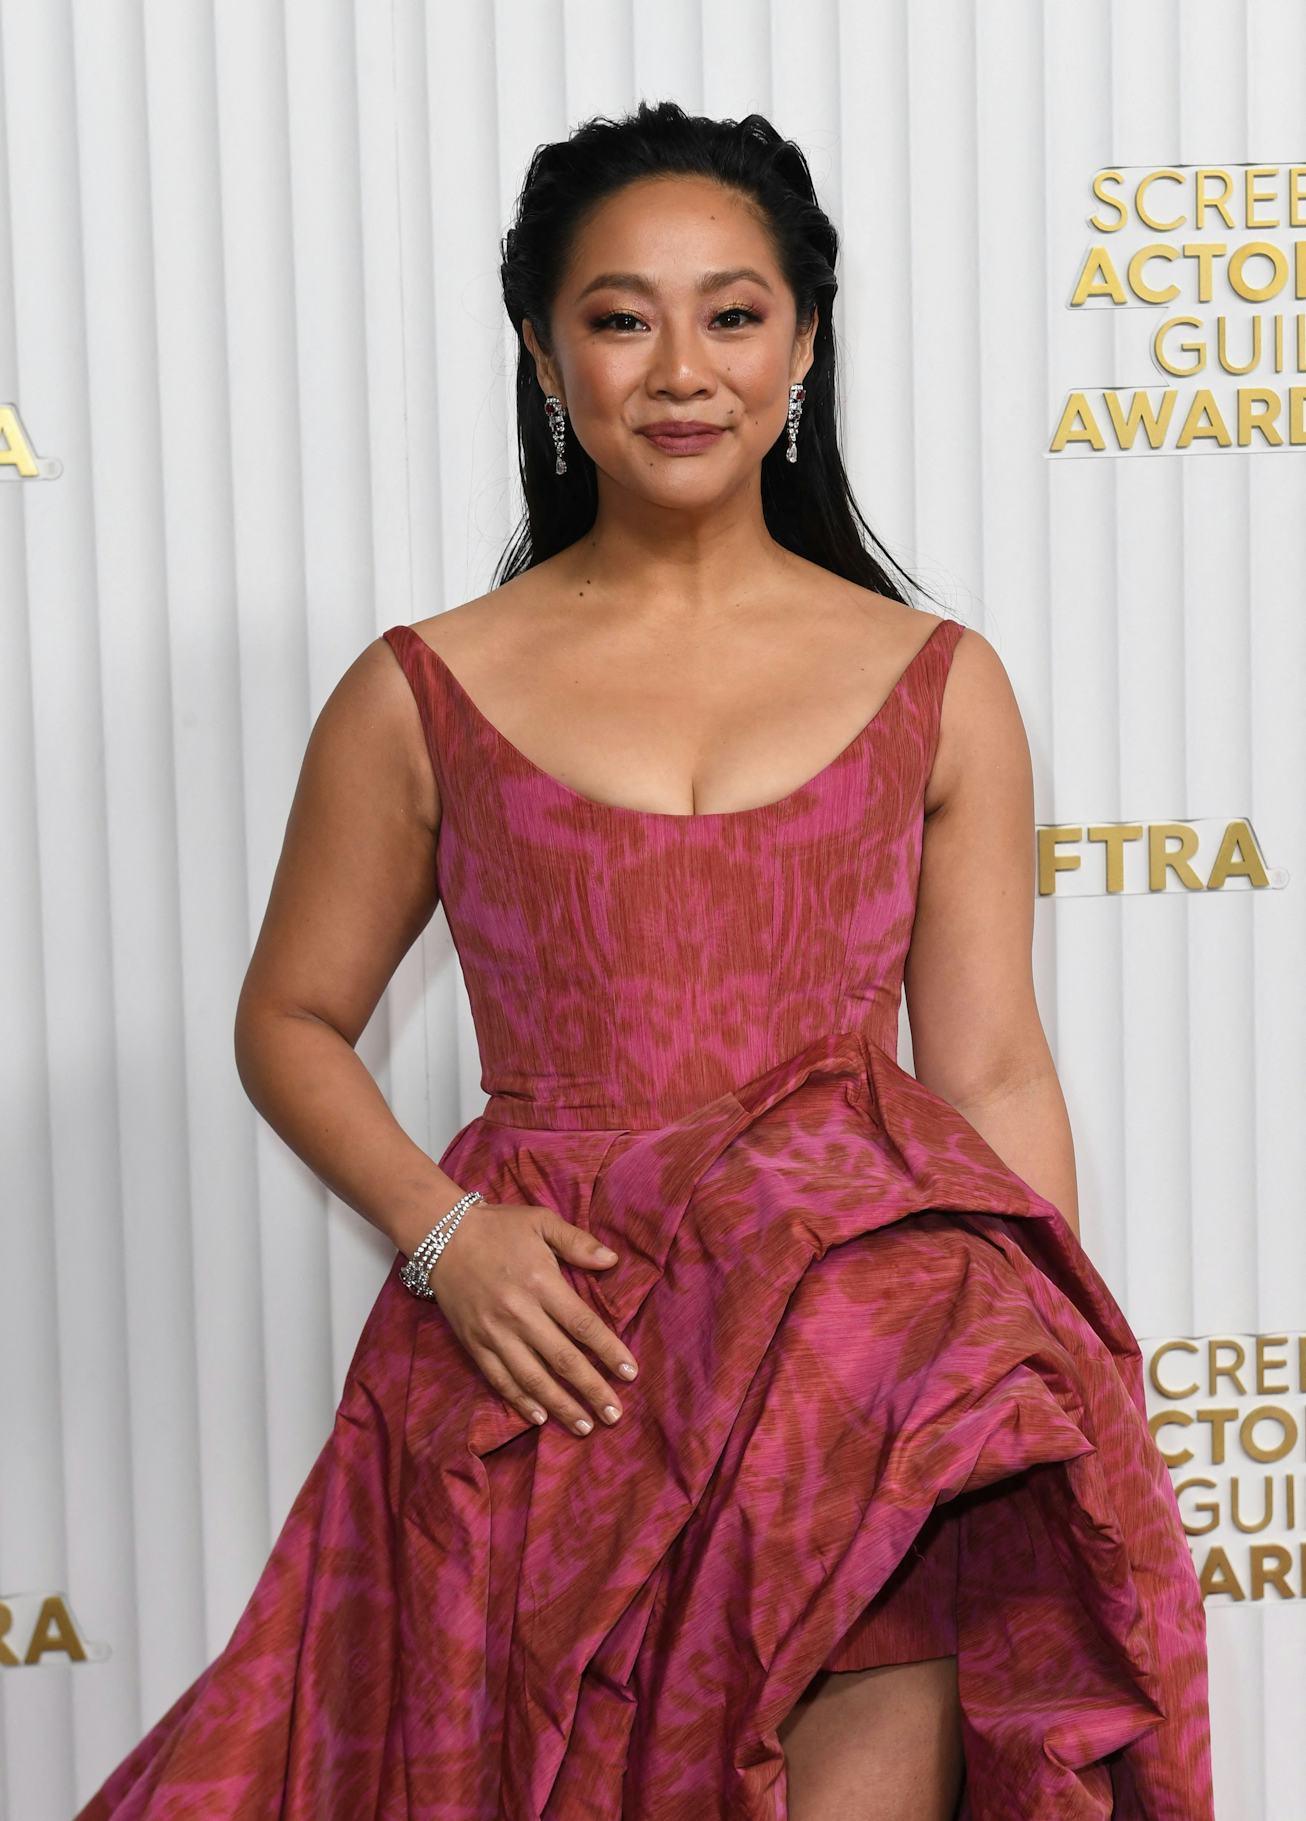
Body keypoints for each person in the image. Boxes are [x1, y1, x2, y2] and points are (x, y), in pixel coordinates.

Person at [78, 101, 1213, 1820]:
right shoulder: (420, 688)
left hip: (855, 1376)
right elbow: (290, 1017)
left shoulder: (939, 679)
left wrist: (1056, 1390)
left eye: (732, 313)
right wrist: (438, 1234)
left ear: (804, 344)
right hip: (552, 1361)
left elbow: (987, 1070)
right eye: (620, 316)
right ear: (544, 351)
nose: (680, 367)